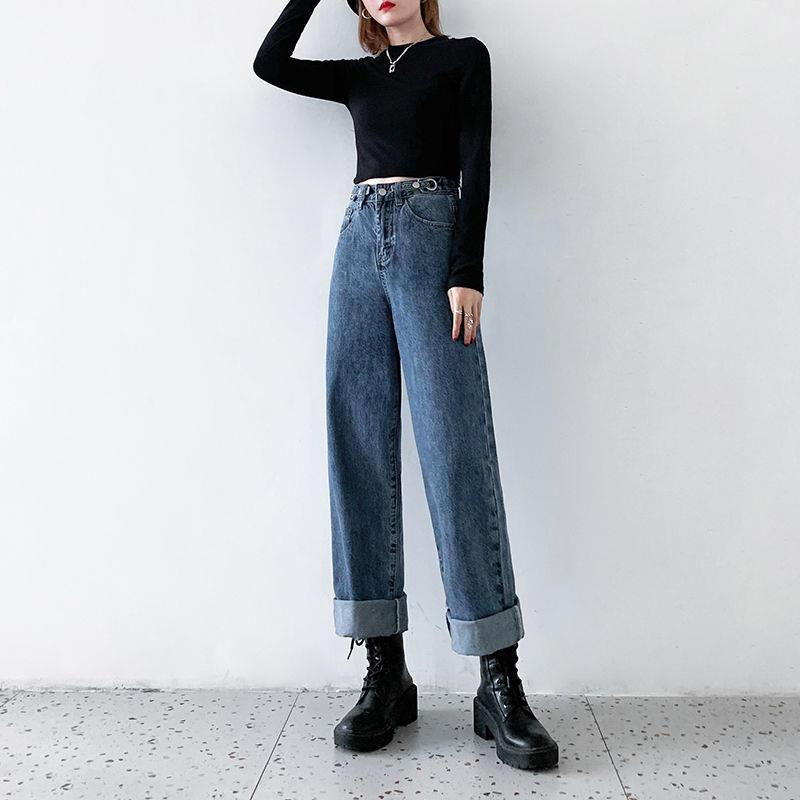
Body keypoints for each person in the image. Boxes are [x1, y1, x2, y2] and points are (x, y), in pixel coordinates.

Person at [253, 0, 559, 771]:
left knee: (455, 446)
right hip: (358, 238)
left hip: (431, 234)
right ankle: (385, 672)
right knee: (356, 437)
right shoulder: (358, 76)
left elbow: (476, 158)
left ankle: (498, 680)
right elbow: (270, 64)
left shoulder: (462, 57)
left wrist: (468, 269)